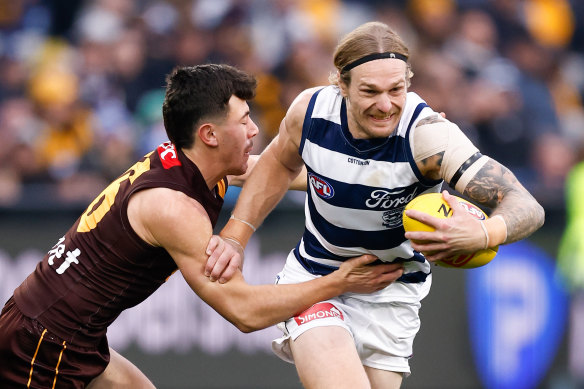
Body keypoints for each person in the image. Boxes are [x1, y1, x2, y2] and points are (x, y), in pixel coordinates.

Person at [0, 64, 405, 388]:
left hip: (60, 332)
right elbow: (243, 311)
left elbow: (277, 170)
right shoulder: (174, 208)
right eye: (245, 120)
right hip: (43, 344)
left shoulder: (194, 161)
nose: (254, 130)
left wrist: (387, 167)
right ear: (209, 134)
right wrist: (340, 282)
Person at [206, 22, 545, 389]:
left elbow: (526, 205)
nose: (386, 105)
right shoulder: (311, 112)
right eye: (370, 91)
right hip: (317, 276)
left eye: (396, 89)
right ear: (341, 83)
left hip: (392, 291)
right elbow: (279, 165)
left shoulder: (428, 135)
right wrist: (235, 236)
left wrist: (481, 233)